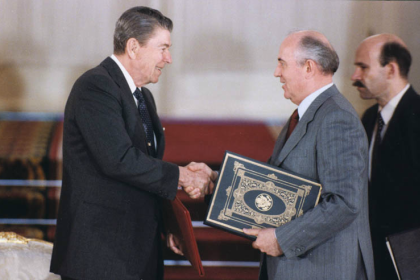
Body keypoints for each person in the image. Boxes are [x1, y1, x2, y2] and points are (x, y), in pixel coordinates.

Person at [50, 7, 216, 280]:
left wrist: (168, 223)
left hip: (137, 249)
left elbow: (144, 168)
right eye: (162, 48)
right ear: (133, 47)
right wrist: (183, 175)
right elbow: (118, 159)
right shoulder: (96, 86)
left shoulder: (143, 97)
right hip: (101, 254)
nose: (169, 59)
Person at [243, 31, 374, 280]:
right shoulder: (306, 114)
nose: (276, 72)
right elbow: (272, 179)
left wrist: (282, 239)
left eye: (282, 63)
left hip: (325, 269)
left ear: (309, 68)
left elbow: (345, 202)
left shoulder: (337, 117)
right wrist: (214, 181)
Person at [351, 34, 420, 280]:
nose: (354, 76)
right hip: (374, 257)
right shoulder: (369, 118)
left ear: (391, 69)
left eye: (363, 67)